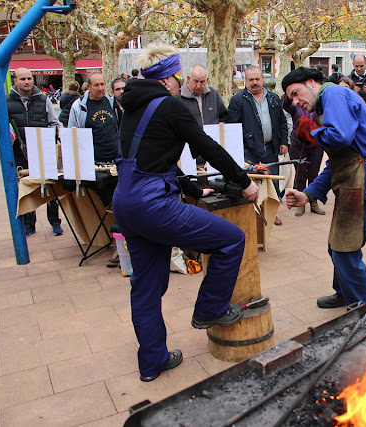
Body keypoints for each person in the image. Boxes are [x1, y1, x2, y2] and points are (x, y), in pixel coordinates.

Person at [114, 43, 259, 382]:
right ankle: (210, 309)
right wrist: (244, 180)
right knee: (231, 240)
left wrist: (194, 190)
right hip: (153, 205)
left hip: (126, 203)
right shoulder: (170, 105)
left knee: (146, 288)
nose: (180, 83)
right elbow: (206, 146)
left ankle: (152, 362)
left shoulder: (131, 105)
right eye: (178, 76)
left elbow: (153, 159)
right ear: (168, 78)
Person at [282, 67, 366, 318]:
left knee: (345, 250)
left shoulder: (333, 95)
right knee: (337, 246)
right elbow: (336, 162)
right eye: (292, 99)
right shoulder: (325, 104)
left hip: (363, 181)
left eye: (296, 94)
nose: (296, 102)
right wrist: (307, 195)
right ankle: (345, 293)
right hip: (353, 178)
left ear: (312, 82)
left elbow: (339, 137)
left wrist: (312, 133)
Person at [68, 72, 122, 267]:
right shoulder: (79, 107)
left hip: (116, 160)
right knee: (112, 202)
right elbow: (73, 135)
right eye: (96, 85)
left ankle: (120, 243)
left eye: (102, 84)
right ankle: (117, 242)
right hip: (95, 163)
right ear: (87, 87)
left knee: (121, 200)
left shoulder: (111, 102)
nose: (100, 88)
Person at [227, 65, 288, 225]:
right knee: (251, 182)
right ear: (245, 81)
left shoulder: (274, 98)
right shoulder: (237, 100)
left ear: (262, 79)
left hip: (271, 148)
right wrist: (237, 151)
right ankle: (252, 214)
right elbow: (232, 127)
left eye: (257, 79)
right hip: (249, 150)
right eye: (251, 79)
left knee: (272, 182)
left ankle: (272, 213)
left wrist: (283, 142)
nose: (254, 82)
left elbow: (282, 122)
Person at [7, 67, 63, 237]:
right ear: (15, 80)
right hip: (19, 152)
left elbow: (54, 122)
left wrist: (52, 136)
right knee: (25, 188)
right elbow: (2, 126)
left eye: (29, 78)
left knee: (50, 187)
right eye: (23, 79)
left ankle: (55, 222)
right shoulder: (6, 101)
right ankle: (28, 224)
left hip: (42, 148)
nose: (27, 82)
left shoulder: (43, 99)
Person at [282, 95, 325, 217]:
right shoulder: (295, 106)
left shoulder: (317, 105)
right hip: (298, 145)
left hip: (316, 144)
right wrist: (290, 91)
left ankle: (313, 202)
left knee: (313, 175)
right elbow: (285, 105)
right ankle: (300, 204)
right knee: (300, 175)